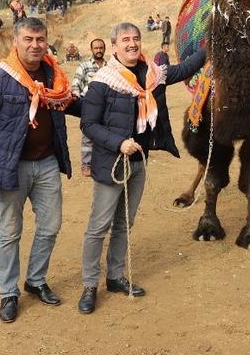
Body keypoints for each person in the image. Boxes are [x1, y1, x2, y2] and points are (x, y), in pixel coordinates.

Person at [78, 22, 206, 314]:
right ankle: (89, 285)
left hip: (138, 162)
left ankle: (114, 276)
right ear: (114, 47)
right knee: (98, 227)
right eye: (125, 40)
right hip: (112, 162)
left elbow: (186, 68)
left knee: (125, 222)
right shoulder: (102, 81)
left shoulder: (152, 74)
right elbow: (89, 124)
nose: (132, 44)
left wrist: (213, 38)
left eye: (135, 38)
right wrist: (118, 142)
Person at [0, 17, 81, 323]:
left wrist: (110, 100)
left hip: (47, 163)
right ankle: (8, 293)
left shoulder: (54, 76)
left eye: (40, 39)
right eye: (28, 39)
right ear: (15, 42)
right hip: (10, 168)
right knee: (9, 232)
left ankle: (36, 280)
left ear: (47, 42)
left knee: (51, 225)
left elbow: (72, 104)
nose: (35, 45)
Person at [71, 38, 108, 177]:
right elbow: (75, 85)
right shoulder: (84, 66)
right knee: (88, 135)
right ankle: (86, 165)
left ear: (104, 49)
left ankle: (103, 163)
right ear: (91, 50)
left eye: (101, 48)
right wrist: (78, 102)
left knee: (105, 133)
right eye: (96, 48)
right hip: (89, 104)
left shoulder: (110, 66)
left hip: (106, 104)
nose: (98, 50)